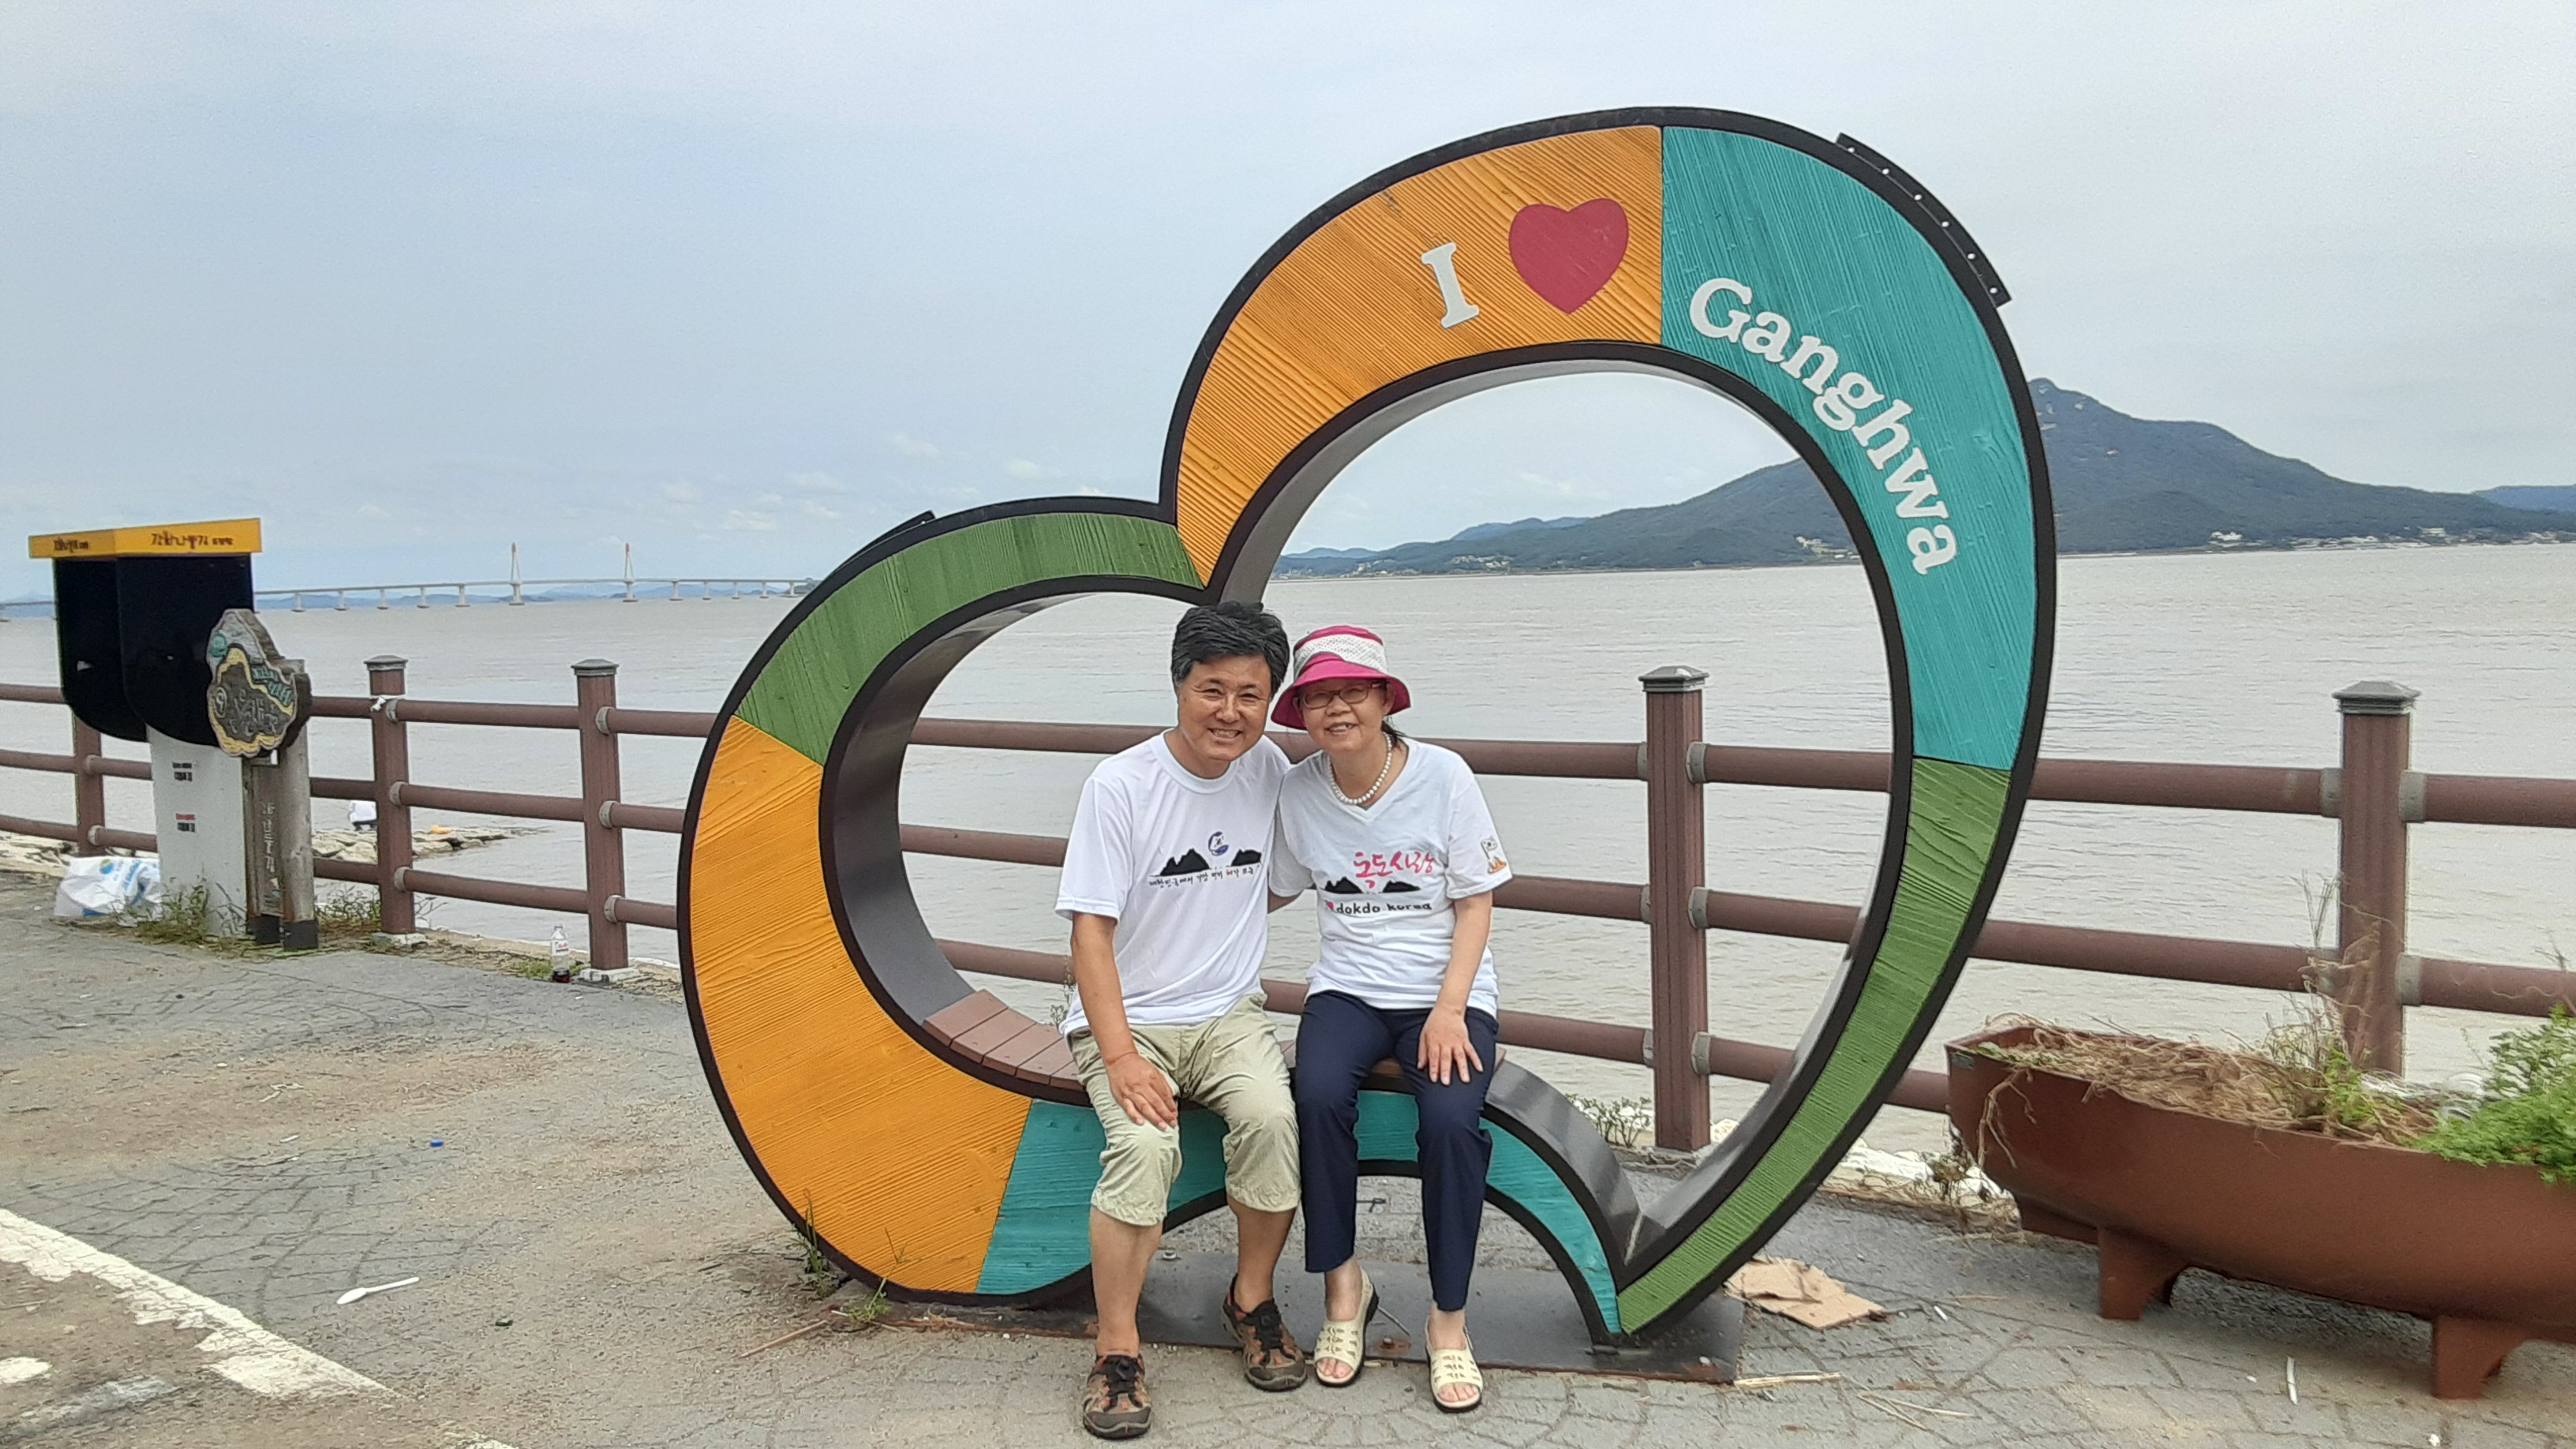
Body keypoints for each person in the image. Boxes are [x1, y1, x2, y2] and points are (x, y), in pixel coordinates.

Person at [1056, 600, 1309, 1440]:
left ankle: (1251, 1300)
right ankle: (1116, 1347)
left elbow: (1285, 876)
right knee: (1143, 1146)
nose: (1230, 712)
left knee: (1273, 1120)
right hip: (1130, 1021)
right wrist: (1122, 1058)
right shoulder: (1121, 786)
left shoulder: (1269, 768)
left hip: (1229, 1015)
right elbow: (1090, 933)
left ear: (1269, 700)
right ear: (1178, 687)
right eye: (1212, 690)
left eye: (1250, 694)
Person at [1267, 624, 1510, 1413]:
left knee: (1450, 1121)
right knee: (1313, 1097)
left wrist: (1450, 1009)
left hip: (1446, 994)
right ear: (1302, 712)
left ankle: (1449, 1319)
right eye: (1318, 697)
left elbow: (1476, 903)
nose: (1337, 709)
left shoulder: (1443, 776)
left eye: (1353, 692)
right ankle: (1344, 1289)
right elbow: (1270, 889)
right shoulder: (1298, 789)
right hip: (1347, 988)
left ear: (1383, 701)